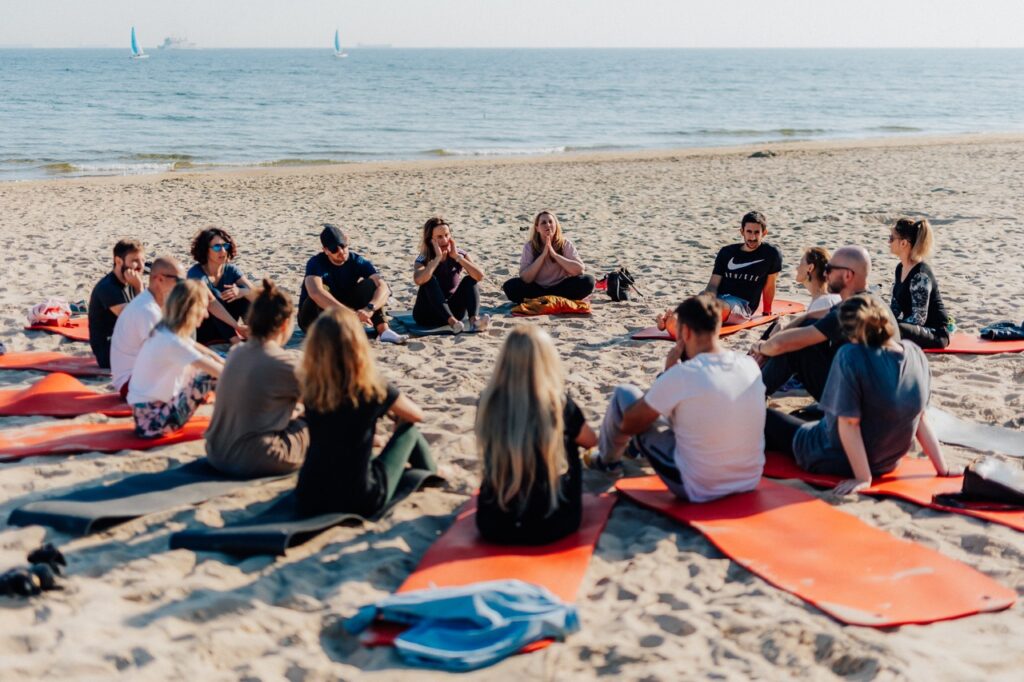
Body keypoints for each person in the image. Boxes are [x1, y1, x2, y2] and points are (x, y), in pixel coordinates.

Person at [764, 295, 951, 494]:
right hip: (888, 462)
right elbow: (921, 418)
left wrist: (863, 478)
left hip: (833, 456)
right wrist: (942, 468)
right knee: (806, 416)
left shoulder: (851, 356)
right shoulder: (915, 353)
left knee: (764, 418)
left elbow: (849, 423)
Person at [594, 294, 765, 502]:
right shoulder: (748, 365)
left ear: (685, 332)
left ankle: (607, 462)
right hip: (749, 480)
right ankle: (630, 452)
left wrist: (667, 374)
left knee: (625, 395)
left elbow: (630, 424)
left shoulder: (683, 375)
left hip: (699, 487)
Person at [295, 307, 435, 517]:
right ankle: (433, 472)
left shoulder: (311, 385)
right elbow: (416, 415)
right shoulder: (371, 387)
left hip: (310, 496)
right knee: (408, 429)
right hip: (360, 498)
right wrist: (390, 413)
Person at [475, 325, 598, 544]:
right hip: (551, 523)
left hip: (493, 524)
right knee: (569, 443)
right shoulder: (557, 404)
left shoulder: (488, 401)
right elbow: (591, 441)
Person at [750, 246, 896, 402]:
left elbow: (783, 345)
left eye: (830, 269)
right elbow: (813, 316)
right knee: (802, 330)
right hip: (864, 392)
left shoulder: (852, 311)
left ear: (847, 275)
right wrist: (785, 331)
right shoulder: (870, 302)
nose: (825, 273)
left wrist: (762, 347)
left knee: (795, 348)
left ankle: (750, 397)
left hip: (857, 406)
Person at [205, 279, 309, 478]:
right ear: (285, 324)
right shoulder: (283, 363)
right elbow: (326, 404)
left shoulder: (236, 352)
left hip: (216, 453)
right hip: (255, 459)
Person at [127, 280, 224, 438]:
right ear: (191, 309)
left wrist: (225, 361)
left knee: (212, 368)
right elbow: (220, 372)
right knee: (210, 376)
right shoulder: (172, 342)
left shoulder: (165, 331)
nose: (206, 314)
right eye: (203, 308)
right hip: (154, 424)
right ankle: (233, 423)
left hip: (146, 416)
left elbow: (207, 354)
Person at [297, 224, 407, 344]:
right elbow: (315, 292)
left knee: (371, 284)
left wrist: (369, 309)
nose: (340, 251)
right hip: (313, 317)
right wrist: (348, 314)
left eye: (343, 246)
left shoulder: (357, 261)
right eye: (334, 249)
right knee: (320, 290)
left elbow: (383, 287)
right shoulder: (315, 263)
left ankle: (384, 331)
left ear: (346, 240)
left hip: (346, 309)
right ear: (325, 250)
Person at [109, 256, 185, 398]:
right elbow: (162, 355)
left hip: (139, 377)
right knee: (203, 378)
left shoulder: (153, 303)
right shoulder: (147, 310)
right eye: (179, 281)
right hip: (132, 384)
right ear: (160, 279)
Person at [412, 216, 491, 333]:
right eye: (439, 237)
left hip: (453, 310)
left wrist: (457, 258)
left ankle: (474, 322)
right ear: (431, 240)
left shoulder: (459, 254)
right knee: (428, 279)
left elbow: (479, 276)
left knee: (470, 279)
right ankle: (453, 323)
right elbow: (418, 280)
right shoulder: (424, 256)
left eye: (447, 235)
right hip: (426, 314)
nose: (444, 240)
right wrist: (437, 259)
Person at [501, 211, 595, 303]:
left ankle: (551, 299)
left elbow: (579, 271)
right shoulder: (530, 246)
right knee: (510, 286)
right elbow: (526, 278)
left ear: (556, 225)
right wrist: (542, 256)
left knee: (588, 281)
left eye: (550, 222)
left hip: (561, 288)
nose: (548, 225)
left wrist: (554, 254)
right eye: (543, 222)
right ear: (537, 228)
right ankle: (545, 299)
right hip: (537, 290)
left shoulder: (565, 244)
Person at [704, 211, 783, 320]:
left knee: (716, 308)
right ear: (742, 232)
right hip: (718, 297)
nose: (752, 237)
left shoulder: (771, 254)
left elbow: (770, 285)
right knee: (696, 304)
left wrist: (767, 312)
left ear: (764, 233)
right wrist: (707, 298)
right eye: (749, 232)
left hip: (742, 305)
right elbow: (713, 284)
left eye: (757, 232)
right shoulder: (726, 252)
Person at [888, 218, 950, 349]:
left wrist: (891, 326)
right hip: (915, 328)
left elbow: (919, 319)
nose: (889, 242)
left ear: (903, 243)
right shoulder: (900, 268)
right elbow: (895, 308)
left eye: (891, 238)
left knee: (897, 329)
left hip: (936, 333)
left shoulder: (920, 275)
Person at [187, 227, 253, 344]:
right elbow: (211, 304)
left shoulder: (230, 269)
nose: (223, 251)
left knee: (243, 294)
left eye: (225, 246)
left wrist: (241, 292)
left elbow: (257, 295)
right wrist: (237, 327)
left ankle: (255, 335)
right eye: (217, 247)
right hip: (204, 328)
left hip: (227, 326)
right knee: (214, 295)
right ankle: (236, 342)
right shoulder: (196, 274)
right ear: (205, 250)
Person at [88, 239, 145, 368]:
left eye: (143, 260)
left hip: (125, 342)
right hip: (109, 352)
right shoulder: (108, 287)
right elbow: (137, 319)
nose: (141, 266)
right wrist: (139, 288)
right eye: (135, 261)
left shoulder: (130, 280)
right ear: (119, 261)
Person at [797, 246, 842, 314]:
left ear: (810, 268)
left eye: (800, 263)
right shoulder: (832, 298)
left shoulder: (820, 304)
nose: (797, 268)